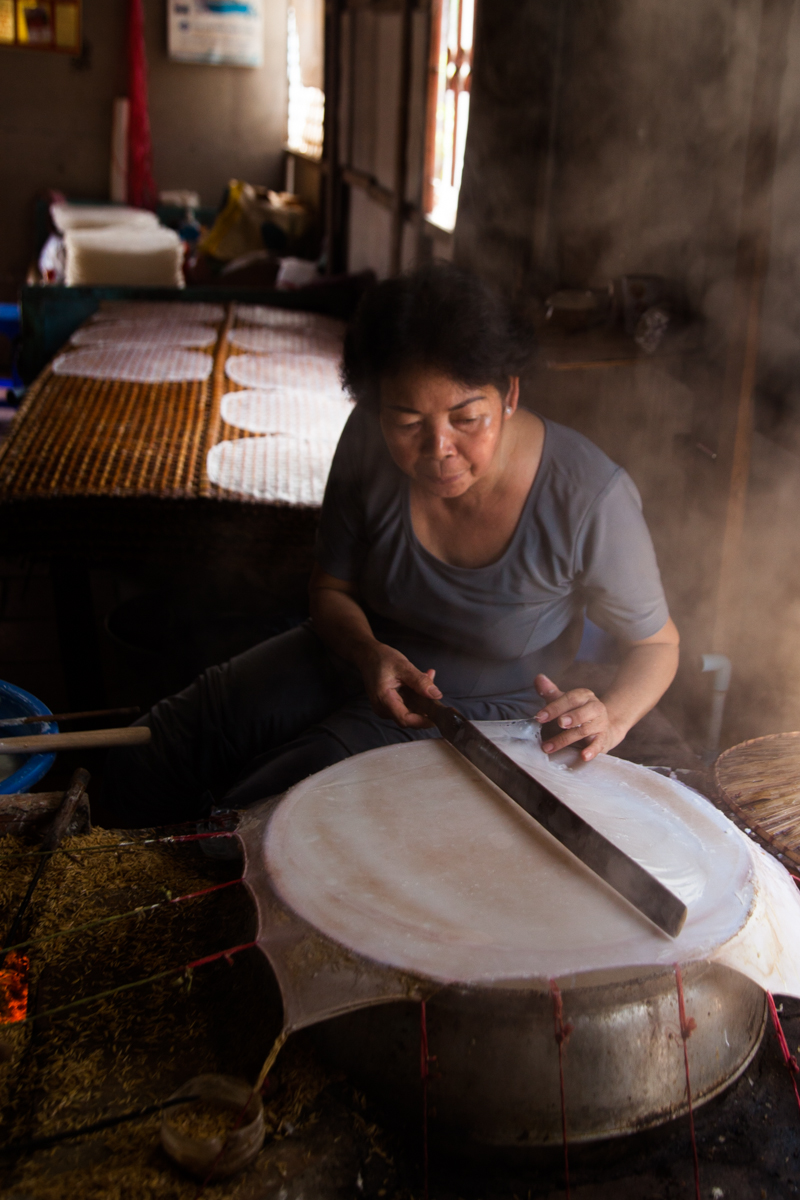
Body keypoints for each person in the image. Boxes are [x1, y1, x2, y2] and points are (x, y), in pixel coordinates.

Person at [103, 264, 679, 827]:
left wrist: (612, 716)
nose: (438, 448)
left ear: (509, 394)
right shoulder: (366, 439)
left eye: (466, 418)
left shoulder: (588, 497)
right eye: (406, 422)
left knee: (273, 803)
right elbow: (330, 589)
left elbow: (657, 645)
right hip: (355, 650)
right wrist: (366, 652)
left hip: (484, 703)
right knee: (168, 741)